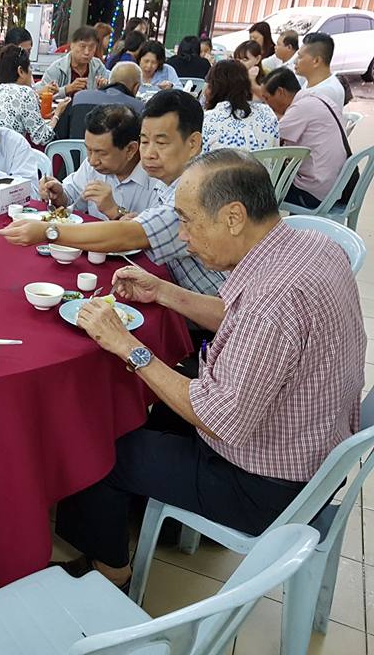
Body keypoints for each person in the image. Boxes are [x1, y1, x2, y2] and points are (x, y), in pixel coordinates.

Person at [51, 149, 363, 591]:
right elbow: (238, 318)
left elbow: (219, 418)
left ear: (234, 216)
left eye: (187, 221)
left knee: (98, 448)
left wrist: (128, 346)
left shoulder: (272, 301)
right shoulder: (307, 245)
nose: (182, 236)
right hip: (309, 444)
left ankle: (110, 571)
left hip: (265, 483)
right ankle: (140, 511)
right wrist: (164, 292)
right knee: (141, 411)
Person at [0, 90, 226, 296]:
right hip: (177, 290)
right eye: (145, 141)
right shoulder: (167, 181)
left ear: (193, 143)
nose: (149, 153)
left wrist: (48, 231)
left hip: (218, 308)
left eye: (161, 143)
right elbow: (133, 226)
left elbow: (130, 235)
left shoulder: (196, 190)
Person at [42, 105, 164, 220]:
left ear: (130, 149)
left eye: (102, 153)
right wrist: (58, 195)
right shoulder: (93, 166)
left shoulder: (159, 179)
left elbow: (154, 231)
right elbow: (71, 198)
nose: (92, 161)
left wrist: (115, 211)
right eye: (89, 150)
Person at [262, 67, 348, 209]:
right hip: (335, 185)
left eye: (266, 98)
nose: (267, 104)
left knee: (258, 187)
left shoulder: (300, 108)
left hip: (313, 194)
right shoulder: (316, 98)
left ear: (280, 92)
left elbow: (269, 138)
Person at [0, 44, 69, 147]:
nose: (31, 72)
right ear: (20, 71)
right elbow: (42, 138)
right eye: (30, 67)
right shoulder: (25, 92)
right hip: (7, 152)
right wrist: (57, 114)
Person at [201, 59, 278, 153]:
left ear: (214, 88)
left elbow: (199, 157)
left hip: (223, 163)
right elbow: (276, 150)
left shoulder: (207, 119)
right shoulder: (267, 112)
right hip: (263, 163)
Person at [54, 62, 145, 141]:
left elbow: (59, 135)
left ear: (110, 81)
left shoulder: (79, 97)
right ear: (136, 87)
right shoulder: (139, 108)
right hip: (113, 156)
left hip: (72, 155)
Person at [37, 25, 108, 95]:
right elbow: (42, 94)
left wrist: (104, 87)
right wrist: (67, 89)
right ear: (72, 45)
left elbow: (110, 88)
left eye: (91, 47)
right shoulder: (57, 68)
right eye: (82, 46)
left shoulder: (98, 66)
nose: (87, 52)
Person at [295, 32, 345, 107]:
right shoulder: (311, 81)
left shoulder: (325, 92)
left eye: (300, 57)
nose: (295, 61)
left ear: (316, 61)